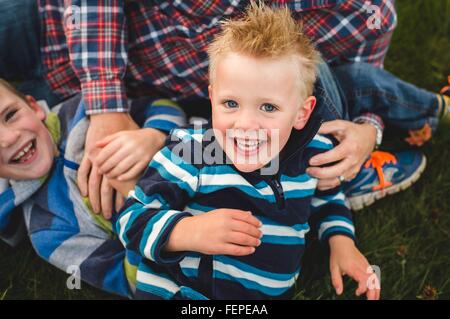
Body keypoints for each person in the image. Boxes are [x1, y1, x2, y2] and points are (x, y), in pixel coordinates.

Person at [0, 0, 402, 213]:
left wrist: (368, 131)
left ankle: (343, 178)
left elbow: (363, 82)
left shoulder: (365, 14)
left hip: (144, 96)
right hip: (47, 22)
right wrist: (105, 107)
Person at [114, 3, 380, 300]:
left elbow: (327, 197)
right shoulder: (194, 151)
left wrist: (341, 241)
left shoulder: (311, 153)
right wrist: (188, 231)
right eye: (231, 104)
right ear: (212, 98)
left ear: (301, 114)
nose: (246, 124)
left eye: (268, 107)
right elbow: (130, 220)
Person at [0, 78, 186, 297]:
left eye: (10, 115)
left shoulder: (86, 108)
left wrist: (156, 135)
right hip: (191, 253)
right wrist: (138, 211)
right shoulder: (47, 232)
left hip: (211, 166)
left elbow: (162, 106)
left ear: (33, 106)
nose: (9, 139)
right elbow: (134, 284)